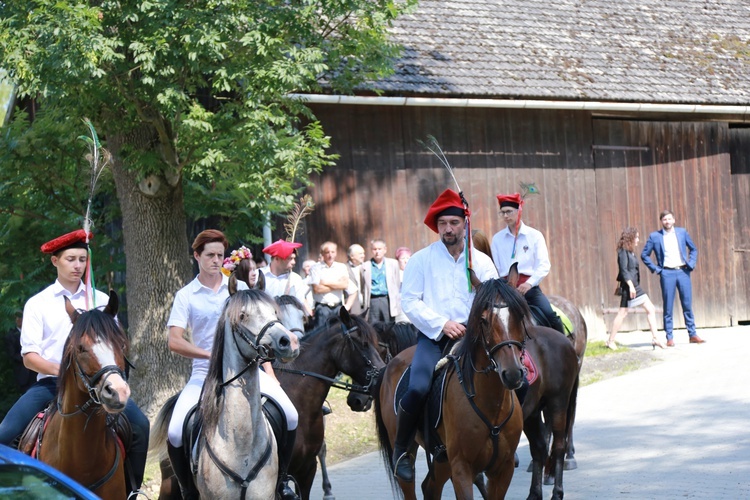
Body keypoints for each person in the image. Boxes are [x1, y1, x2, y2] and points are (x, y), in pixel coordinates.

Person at [0, 229, 150, 497]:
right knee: (5, 432)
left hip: (99, 385)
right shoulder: (38, 304)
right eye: (71, 259)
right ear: (55, 261)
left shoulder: (102, 300)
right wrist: (66, 373)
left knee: (140, 425)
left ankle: (132, 491)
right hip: (50, 384)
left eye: (82, 259)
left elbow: (115, 347)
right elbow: (29, 357)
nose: (78, 265)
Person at [166, 230, 299, 499]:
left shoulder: (241, 291)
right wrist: (209, 355)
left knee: (291, 414)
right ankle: (188, 489)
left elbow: (262, 335)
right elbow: (174, 341)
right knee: (176, 430)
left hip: (251, 371)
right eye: (210, 255)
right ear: (197, 256)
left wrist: (270, 373)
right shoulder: (186, 295)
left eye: (220, 255)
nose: (216, 260)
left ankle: (282, 479)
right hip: (204, 375)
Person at [393, 189, 498, 482]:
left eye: (453, 222)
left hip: (476, 336)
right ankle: (402, 448)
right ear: (436, 226)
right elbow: (410, 301)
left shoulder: (482, 263)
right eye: (443, 224)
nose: (448, 229)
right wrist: (442, 324)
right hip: (435, 336)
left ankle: (505, 441)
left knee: (516, 375)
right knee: (417, 387)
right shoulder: (420, 260)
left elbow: (493, 299)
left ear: (464, 223)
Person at [491, 193, 565, 334]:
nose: (506, 216)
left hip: (529, 288)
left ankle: (566, 348)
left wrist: (529, 283)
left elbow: (544, 265)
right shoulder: (497, 239)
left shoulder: (534, 235)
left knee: (550, 315)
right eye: (503, 212)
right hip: (506, 290)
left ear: (519, 211)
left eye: (509, 212)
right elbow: (497, 268)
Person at [641, 210, 703, 346]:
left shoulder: (682, 232)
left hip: (683, 272)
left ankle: (692, 334)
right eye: (664, 219)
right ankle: (669, 337)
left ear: (674, 220)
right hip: (667, 273)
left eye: (669, 219)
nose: (667, 221)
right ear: (661, 221)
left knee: (687, 304)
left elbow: (693, 249)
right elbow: (644, 255)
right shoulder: (655, 236)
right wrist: (657, 269)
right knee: (668, 306)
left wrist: (691, 263)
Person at [606, 227, 665, 350]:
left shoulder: (630, 251)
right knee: (623, 313)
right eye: (637, 237)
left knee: (650, 309)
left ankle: (655, 338)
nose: (638, 240)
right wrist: (631, 286)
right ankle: (611, 341)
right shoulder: (622, 252)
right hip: (629, 287)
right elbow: (623, 271)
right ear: (630, 238)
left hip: (634, 286)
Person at [309, 241, 357, 329]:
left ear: (336, 253)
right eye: (327, 252)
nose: (330, 255)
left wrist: (347, 306)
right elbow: (317, 289)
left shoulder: (341, 267)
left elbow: (351, 289)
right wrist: (338, 285)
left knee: (340, 335)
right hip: (322, 308)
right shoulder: (315, 268)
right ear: (322, 254)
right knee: (321, 336)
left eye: (333, 252)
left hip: (338, 308)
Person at [260, 239, 312, 316]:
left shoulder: (295, 279)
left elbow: (300, 305)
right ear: (277, 259)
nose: (294, 262)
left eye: (294, 258)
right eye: (290, 258)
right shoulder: (258, 275)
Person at [361, 239, 402, 323]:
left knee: (389, 326)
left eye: (379, 249)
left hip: (387, 299)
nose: (377, 252)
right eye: (375, 249)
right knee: (373, 326)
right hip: (373, 300)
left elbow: (396, 282)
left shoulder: (393, 264)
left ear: (385, 250)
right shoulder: (365, 266)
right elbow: (363, 285)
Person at [5, 311, 35, 394]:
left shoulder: (32, 332)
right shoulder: (10, 335)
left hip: (36, 371)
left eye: (21, 317)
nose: (19, 319)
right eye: (17, 317)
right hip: (23, 373)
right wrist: (29, 357)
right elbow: (13, 355)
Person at [345, 244, 366, 316]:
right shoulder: (344, 269)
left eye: (363, 253)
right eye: (360, 253)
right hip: (352, 308)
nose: (363, 255)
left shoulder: (366, 267)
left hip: (366, 306)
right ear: (352, 256)